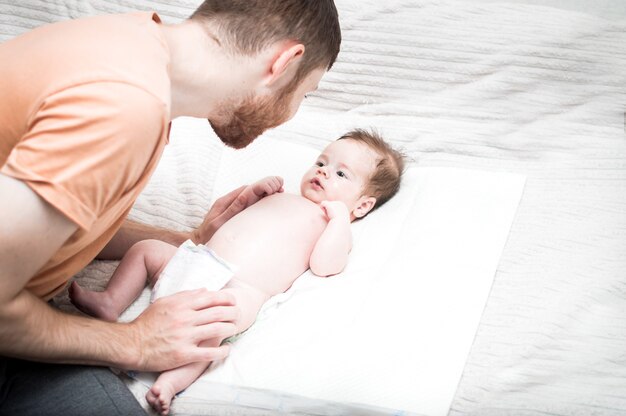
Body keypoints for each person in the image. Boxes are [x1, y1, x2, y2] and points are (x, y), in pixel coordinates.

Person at [0, 0, 341, 414]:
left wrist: (189, 240)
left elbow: (64, 215)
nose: (289, 114)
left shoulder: (127, 44)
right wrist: (135, 343)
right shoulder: (124, 108)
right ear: (284, 62)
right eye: (304, 94)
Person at [69, 129, 406, 415]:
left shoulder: (334, 225)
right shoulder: (286, 197)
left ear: (361, 205)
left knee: (214, 331)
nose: (323, 172)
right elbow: (231, 221)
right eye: (321, 162)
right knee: (147, 250)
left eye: (341, 174)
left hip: (238, 290)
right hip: (198, 259)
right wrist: (257, 193)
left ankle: (170, 383)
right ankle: (110, 302)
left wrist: (337, 221)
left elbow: (326, 265)